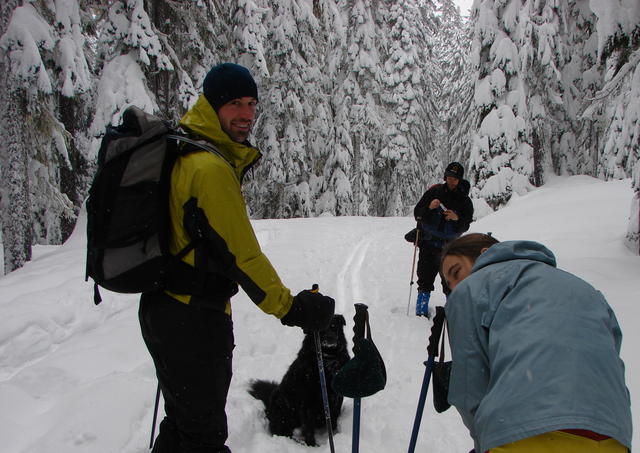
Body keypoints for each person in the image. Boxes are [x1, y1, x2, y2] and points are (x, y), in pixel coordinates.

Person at [138, 63, 335, 453]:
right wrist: (292, 308)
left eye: (251, 104)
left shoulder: (187, 149)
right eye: (234, 104)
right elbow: (242, 255)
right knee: (203, 437)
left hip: (165, 309)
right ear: (212, 106)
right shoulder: (208, 168)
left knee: (184, 426)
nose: (246, 114)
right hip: (193, 321)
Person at [440, 233, 632, 453]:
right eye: (449, 284)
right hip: (611, 434)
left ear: (485, 253)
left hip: (523, 431)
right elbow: (612, 357)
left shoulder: (472, 288)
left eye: (456, 272)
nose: (455, 286)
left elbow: (469, 384)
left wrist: (484, 442)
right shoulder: (586, 289)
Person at [411, 161, 473, 316]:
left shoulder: (465, 200)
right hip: (428, 244)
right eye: (450, 177)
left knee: (450, 282)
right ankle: (421, 312)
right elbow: (417, 213)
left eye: (455, 178)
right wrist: (429, 207)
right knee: (424, 280)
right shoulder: (434, 192)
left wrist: (456, 218)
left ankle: (453, 314)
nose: (451, 180)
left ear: (460, 180)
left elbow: (466, 225)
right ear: (446, 176)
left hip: (450, 247)